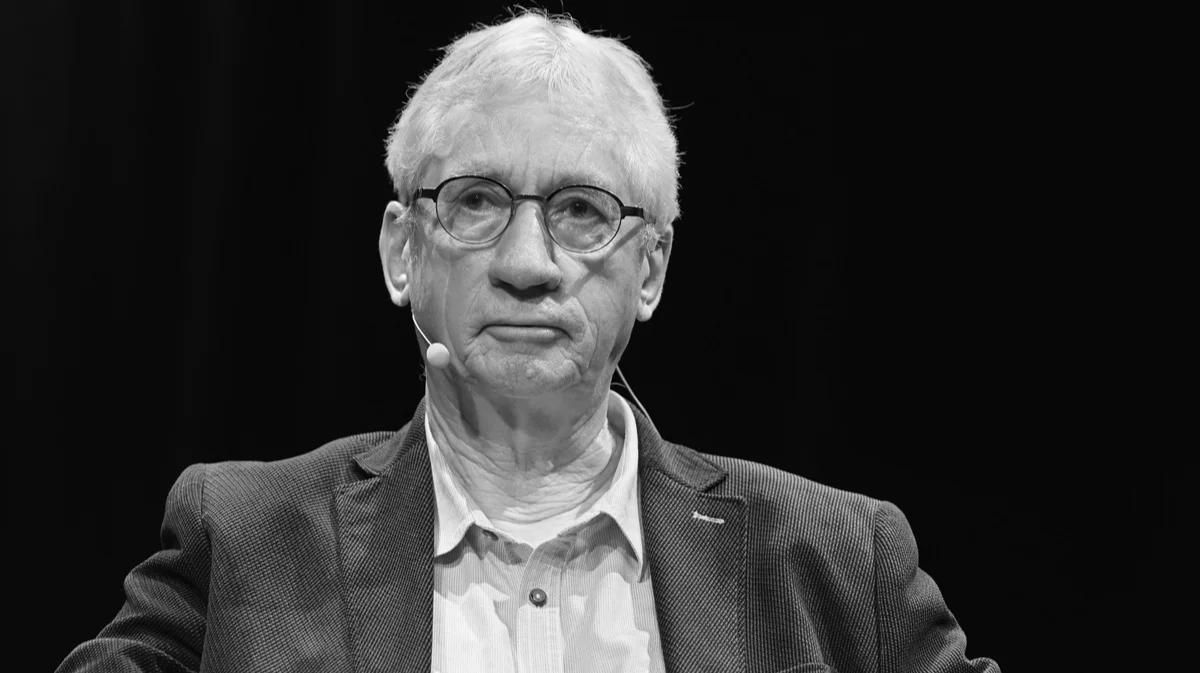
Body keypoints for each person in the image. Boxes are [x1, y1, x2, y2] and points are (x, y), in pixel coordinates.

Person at [57, 11, 999, 673]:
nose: (526, 264)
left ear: (652, 268)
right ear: (401, 251)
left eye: (582, 211)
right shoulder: (241, 535)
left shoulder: (839, 561)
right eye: (476, 201)